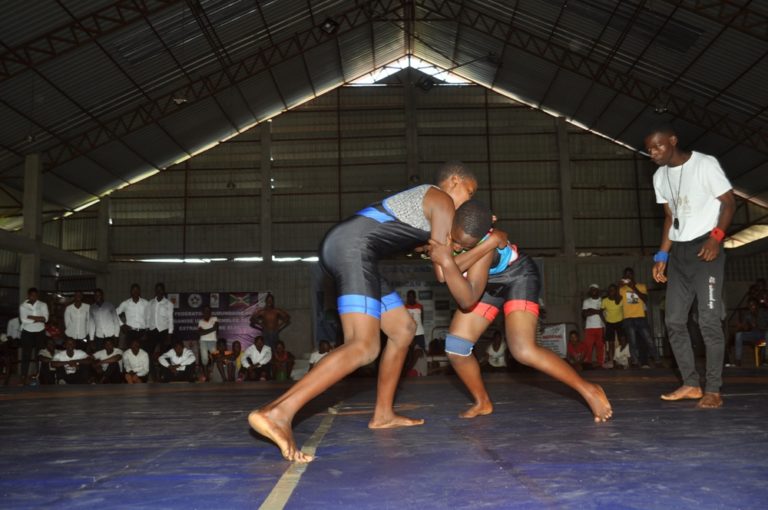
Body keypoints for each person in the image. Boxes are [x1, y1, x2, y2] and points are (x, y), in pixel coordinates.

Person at [249, 161, 504, 462]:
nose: (468, 200)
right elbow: (441, 268)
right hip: (354, 249)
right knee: (363, 345)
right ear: (454, 180)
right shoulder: (443, 200)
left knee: (402, 329)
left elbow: (429, 248)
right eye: (469, 192)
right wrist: (490, 243)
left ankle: (383, 414)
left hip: (354, 250)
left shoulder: (433, 203)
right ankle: (278, 412)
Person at [427, 199, 612, 422]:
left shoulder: (485, 247)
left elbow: (467, 297)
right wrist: (449, 256)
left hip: (517, 277)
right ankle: (482, 401)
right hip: (488, 282)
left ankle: (588, 389)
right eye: (455, 241)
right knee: (457, 347)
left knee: (522, 350)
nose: (457, 247)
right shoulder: (444, 225)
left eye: (466, 246)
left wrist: (484, 246)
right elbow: (440, 274)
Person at [647, 124, 735, 408]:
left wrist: (715, 238)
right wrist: (662, 256)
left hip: (705, 250)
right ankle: (691, 384)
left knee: (708, 321)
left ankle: (714, 389)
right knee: (673, 320)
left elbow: (729, 203)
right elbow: (669, 217)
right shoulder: (660, 176)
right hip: (679, 254)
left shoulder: (704, 164)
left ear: (673, 140)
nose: (653, 153)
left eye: (658, 146)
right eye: (649, 149)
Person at [619, 268, 657, 368]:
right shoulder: (622, 289)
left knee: (649, 339)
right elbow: (617, 301)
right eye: (626, 275)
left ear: (633, 275)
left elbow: (645, 299)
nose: (628, 277)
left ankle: (657, 359)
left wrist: (634, 288)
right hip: (628, 318)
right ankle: (635, 362)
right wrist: (619, 286)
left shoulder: (641, 286)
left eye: (629, 274)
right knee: (632, 341)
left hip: (640, 317)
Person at [19, 287, 49, 386]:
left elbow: (46, 319)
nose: (34, 297)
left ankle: (39, 376)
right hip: (27, 332)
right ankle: (23, 377)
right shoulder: (23, 306)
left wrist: (31, 317)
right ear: (28, 296)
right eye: (32, 295)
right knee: (26, 355)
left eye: (35, 295)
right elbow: (24, 320)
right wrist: (39, 318)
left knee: (39, 355)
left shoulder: (43, 305)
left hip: (40, 332)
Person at [146, 282, 174, 376]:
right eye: (157, 289)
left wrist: (169, 335)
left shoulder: (169, 304)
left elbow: (170, 319)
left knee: (164, 354)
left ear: (164, 291)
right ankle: (153, 375)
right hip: (152, 331)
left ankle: (163, 374)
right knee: (149, 354)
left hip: (164, 331)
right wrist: (147, 330)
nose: (159, 291)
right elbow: (148, 317)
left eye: (161, 289)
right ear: (155, 291)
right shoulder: (150, 303)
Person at [733, 298, 767, 367]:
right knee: (739, 335)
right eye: (749, 306)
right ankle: (738, 359)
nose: (751, 307)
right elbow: (745, 327)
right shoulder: (748, 314)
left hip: (764, 333)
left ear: (757, 305)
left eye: (753, 305)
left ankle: (766, 358)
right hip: (754, 334)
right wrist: (741, 326)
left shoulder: (764, 312)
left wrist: (759, 326)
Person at [116, 283, 149, 354]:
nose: (135, 292)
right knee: (130, 353)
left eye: (137, 290)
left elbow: (149, 317)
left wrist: (147, 331)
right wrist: (122, 325)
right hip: (130, 332)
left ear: (140, 292)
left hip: (142, 332)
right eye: (133, 290)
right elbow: (115, 313)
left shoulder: (146, 303)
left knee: (143, 353)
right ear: (130, 292)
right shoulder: (126, 303)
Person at [581, 284, 605, 369]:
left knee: (600, 346)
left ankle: (600, 363)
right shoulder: (586, 301)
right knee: (588, 346)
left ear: (598, 291)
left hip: (600, 326)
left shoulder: (602, 301)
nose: (593, 291)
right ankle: (588, 363)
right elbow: (584, 314)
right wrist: (597, 311)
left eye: (595, 289)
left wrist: (591, 310)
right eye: (592, 290)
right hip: (589, 327)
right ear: (590, 292)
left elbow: (603, 313)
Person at [601, 284, 623, 368]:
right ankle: (612, 361)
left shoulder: (620, 299)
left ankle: (621, 359)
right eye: (610, 290)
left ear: (616, 291)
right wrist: (605, 321)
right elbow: (600, 311)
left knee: (622, 341)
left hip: (620, 322)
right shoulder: (605, 300)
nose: (611, 292)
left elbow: (624, 309)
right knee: (610, 343)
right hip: (609, 323)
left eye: (613, 290)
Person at [197, 306, 219, 381]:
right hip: (203, 341)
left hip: (213, 341)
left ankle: (212, 373)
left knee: (215, 358)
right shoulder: (200, 321)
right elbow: (200, 333)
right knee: (204, 359)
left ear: (210, 312)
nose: (207, 312)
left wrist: (205, 331)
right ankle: (206, 377)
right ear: (203, 312)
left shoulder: (214, 319)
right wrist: (212, 329)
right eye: (205, 311)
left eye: (208, 311)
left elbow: (216, 328)